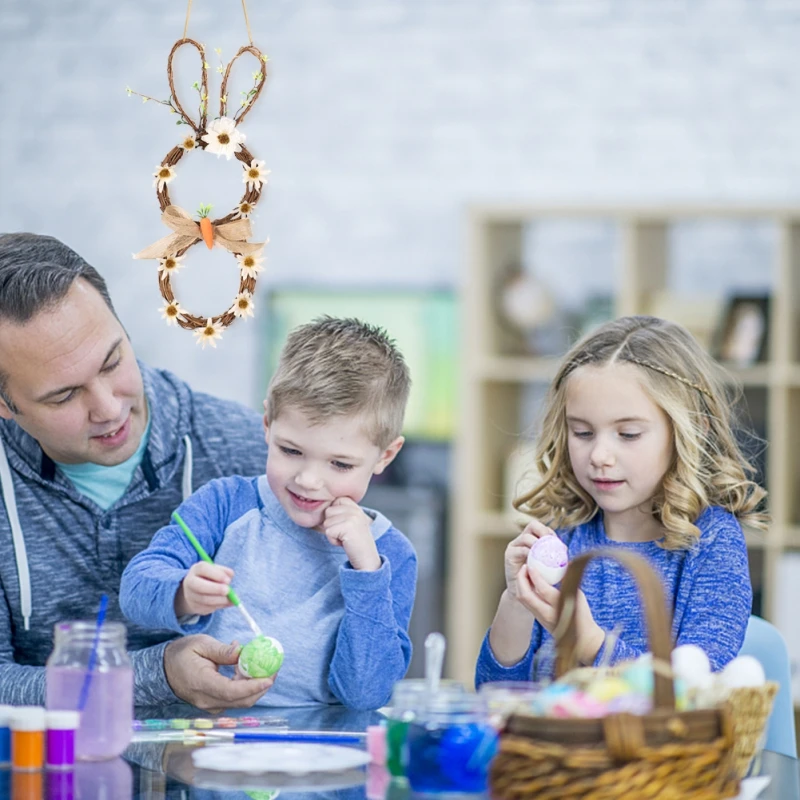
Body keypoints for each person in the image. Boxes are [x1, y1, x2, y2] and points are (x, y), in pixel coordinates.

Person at [0, 232, 273, 709]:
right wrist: (159, 674)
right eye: (64, 396)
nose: (108, 409)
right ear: (6, 405)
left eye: (113, 362)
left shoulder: (248, 451)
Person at [120, 316, 418, 710]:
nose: (309, 480)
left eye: (340, 465)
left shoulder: (390, 556)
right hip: (209, 742)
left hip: (323, 757)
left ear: (386, 456)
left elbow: (365, 694)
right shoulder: (225, 505)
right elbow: (136, 589)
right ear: (266, 425)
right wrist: (182, 593)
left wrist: (366, 571)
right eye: (291, 451)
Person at [475, 315, 767, 686]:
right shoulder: (562, 536)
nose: (600, 455)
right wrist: (516, 602)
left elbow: (693, 692)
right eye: (582, 432)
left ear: (689, 430)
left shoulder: (712, 541)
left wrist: (592, 643)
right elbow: (491, 692)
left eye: (627, 434)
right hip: (559, 745)